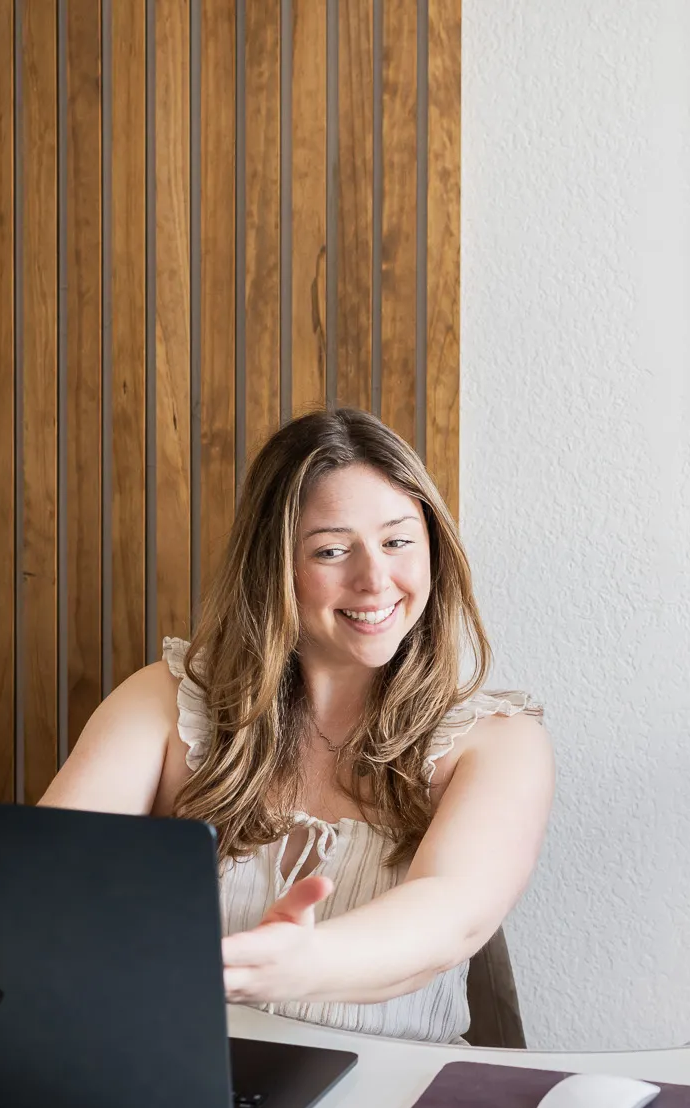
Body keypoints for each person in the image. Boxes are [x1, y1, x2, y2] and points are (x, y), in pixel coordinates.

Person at [42, 408, 553, 1043]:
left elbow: (453, 916)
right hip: (178, 1082)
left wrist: (303, 964)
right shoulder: (164, 701)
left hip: (395, 1099)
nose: (374, 579)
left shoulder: (497, 739)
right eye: (332, 550)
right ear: (274, 567)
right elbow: (45, 878)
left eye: (397, 541)